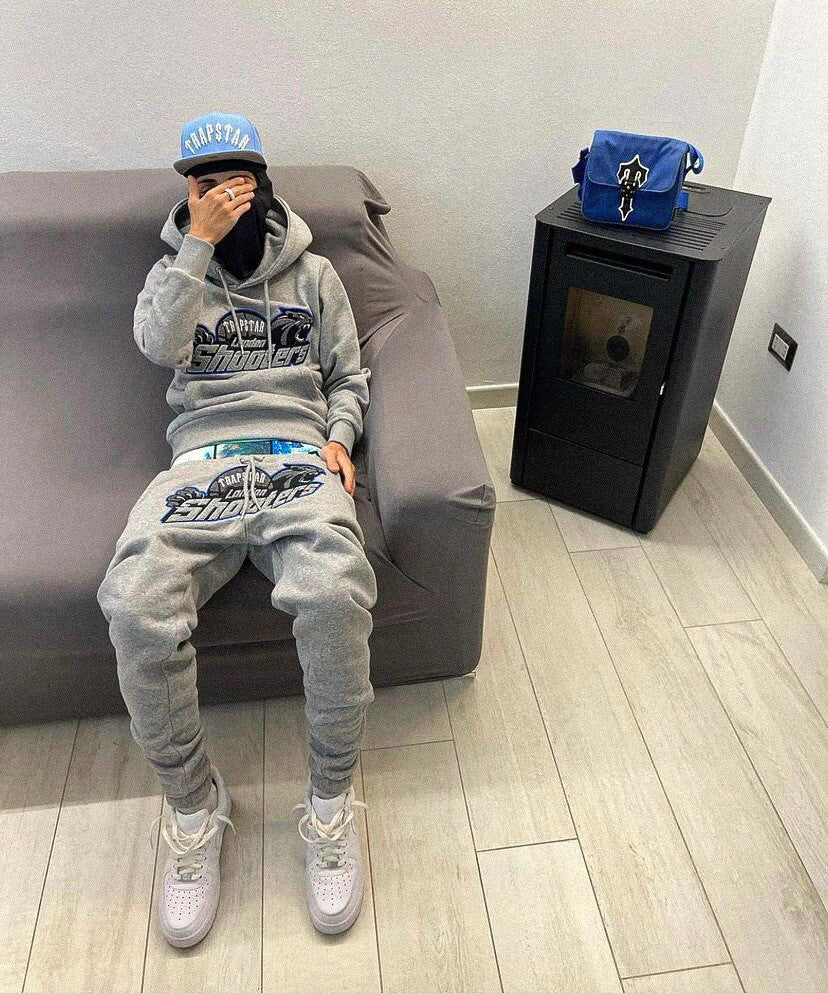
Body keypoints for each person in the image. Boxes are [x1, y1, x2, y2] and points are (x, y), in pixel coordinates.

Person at [96, 112, 378, 947]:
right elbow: (157, 346)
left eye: (236, 180)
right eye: (203, 184)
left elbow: (349, 374)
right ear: (187, 193)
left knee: (335, 592)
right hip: (201, 464)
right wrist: (196, 246)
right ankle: (194, 809)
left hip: (297, 456)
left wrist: (340, 436)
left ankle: (329, 803)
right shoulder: (171, 272)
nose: (221, 195)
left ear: (263, 183)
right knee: (134, 604)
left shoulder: (315, 273)